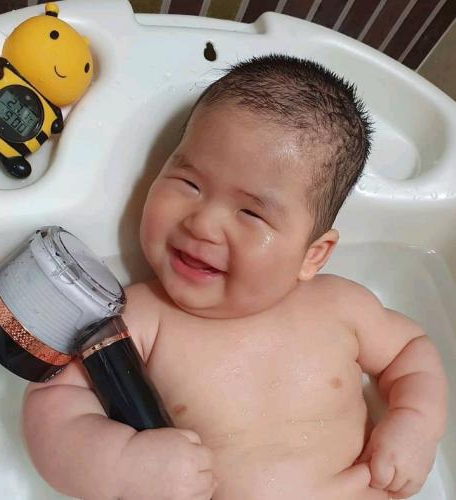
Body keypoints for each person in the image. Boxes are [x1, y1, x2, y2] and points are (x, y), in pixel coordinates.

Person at [22, 55, 447, 500]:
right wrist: (123, 465)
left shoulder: (342, 306)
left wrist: (414, 424)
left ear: (313, 255)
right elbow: (52, 404)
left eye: (251, 213)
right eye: (189, 184)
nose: (203, 224)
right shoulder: (139, 318)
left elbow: (411, 352)